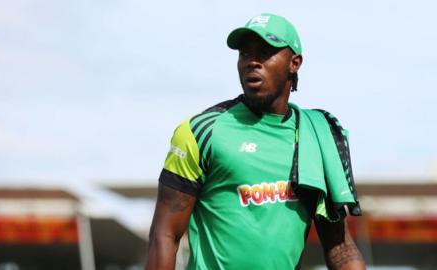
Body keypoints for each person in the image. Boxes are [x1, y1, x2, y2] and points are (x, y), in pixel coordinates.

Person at [146, 13, 366, 270]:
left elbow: (338, 245)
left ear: (294, 63)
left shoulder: (317, 136)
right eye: (244, 53)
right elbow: (165, 235)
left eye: (264, 52)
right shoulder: (201, 131)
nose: (252, 62)